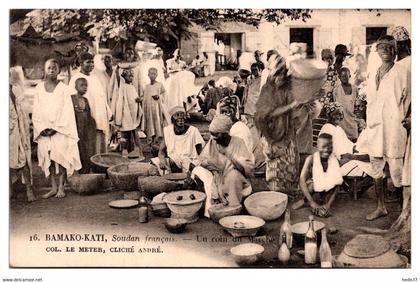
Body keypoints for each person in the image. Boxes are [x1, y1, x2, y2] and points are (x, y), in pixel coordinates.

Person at [365, 35, 410, 221]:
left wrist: (409, 117)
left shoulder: (403, 71)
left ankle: (403, 211)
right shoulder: (373, 72)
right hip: (375, 127)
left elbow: (411, 98)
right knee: (377, 168)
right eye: (382, 47)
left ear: (395, 50)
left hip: (394, 127)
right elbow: (370, 99)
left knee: (398, 171)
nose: (387, 50)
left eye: (391, 47)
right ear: (377, 50)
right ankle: (381, 207)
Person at [32, 59, 81, 198]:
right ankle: (53, 187)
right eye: (49, 68)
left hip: (61, 128)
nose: (52, 70)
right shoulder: (39, 88)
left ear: (59, 70)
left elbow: (67, 111)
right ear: (45, 70)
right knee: (49, 157)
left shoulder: (64, 88)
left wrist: (56, 128)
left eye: (54, 68)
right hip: (44, 129)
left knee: (62, 155)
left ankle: (61, 187)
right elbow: (36, 109)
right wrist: (42, 128)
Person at [190, 114, 255, 217]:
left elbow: (247, 169)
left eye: (216, 134)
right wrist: (212, 169)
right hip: (218, 176)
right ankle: (216, 206)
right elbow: (202, 160)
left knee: (233, 175)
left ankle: (233, 208)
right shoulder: (213, 142)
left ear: (225, 134)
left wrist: (230, 157)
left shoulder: (238, 142)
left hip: (236, 179)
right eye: (212, 134)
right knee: (198, 171)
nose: (213, 138)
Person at [255, 55, 300, 194]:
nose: (279, 78)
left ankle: (287, 196)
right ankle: (276, 198)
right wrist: (290, 106)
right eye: (276, 75)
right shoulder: (267, 90)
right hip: (272, 136)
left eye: (282, 74)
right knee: (275, 173)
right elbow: (266, 114)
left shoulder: (287, 88)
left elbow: (294, 111)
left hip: (286, 134)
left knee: (290, 166)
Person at [69, 52, 112, 154]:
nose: (91, 65)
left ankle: (99, 165)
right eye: (88, 62)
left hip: (100, 115)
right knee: (89, 145)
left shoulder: (95, 78)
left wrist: (108, 112)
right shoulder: (75, 78)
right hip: (86, 118)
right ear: (81, 62)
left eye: (92, 62)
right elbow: (72, 99)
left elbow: (102, 97)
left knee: (101, 143)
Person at [292, 133, 342, 217]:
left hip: (328, 187)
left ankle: (324, 202)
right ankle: (305, 200)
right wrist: (312, 203)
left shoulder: (334, 160)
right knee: (310, 186)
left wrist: (328, 205)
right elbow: (302, 180)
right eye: (324, 146)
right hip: (313, 185)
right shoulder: (311, 159)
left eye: (330, 147)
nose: (326, 150)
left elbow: (338, 185)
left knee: (337, 182)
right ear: (317, 146)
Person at [9, 66, 36, 202]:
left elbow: (24, 110)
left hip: (19, 130)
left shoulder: (16, 89)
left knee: (24, 160)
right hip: (7, 132)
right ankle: (10, 190)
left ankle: (29, 189)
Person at [154, 106, 205, 174]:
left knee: (191, 172)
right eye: (177, 115)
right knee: (156, 163)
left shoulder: (193, 131)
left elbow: (201, 152)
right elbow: (161, 151)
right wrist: (162, 161)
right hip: (173, 161)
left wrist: (198, 164)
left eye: (182, 115)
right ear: (172, 118)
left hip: (190, 161)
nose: (180, 118)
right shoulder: (168, 130)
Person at [109, 68, 144, 158]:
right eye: (129, 75)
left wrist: (140, 99)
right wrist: (117, 71)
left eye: (132, 75)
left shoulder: (132, 87)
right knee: (124, 132)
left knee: (132, 132)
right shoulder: (123, 86)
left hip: (132, 114)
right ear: (124, 77)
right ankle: (123, 150)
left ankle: (134, 150)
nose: (131, 77)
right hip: (125, 113)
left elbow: (135, 98)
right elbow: (122, 100)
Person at [71, 78, 96, 173]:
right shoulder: (72, 99)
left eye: (86, 86)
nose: (85, 88)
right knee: (77, 151)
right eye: (82, 85)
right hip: (76, 130)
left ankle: (85, 172)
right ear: (75, 87)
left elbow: (89, 115)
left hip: (85, 130)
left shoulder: (85, 100)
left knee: (86, 151)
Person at [143, 67, 170, 144]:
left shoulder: (159, 85)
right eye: (151, 74)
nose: (152, 76)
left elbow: (164, 94)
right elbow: (145, 97)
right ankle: (151, 138)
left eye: (154, 74)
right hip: (149, 109)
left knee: (157, 122)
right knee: (150, 123)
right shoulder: (147, 86)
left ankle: (158, 138)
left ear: (157, 75)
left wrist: (159, 97)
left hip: (157, 108)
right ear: (148, 75)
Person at [334, 67, 358, 141]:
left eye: (346, 75)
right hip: (341, 122)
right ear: (339, 77)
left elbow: (357, 104)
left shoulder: (355, 88)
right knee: (341, 141)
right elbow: (335, 105)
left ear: (350, 76)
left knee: (354, 140)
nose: (344, 77)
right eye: (342, 76)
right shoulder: (336, 89)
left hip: (352, 120)